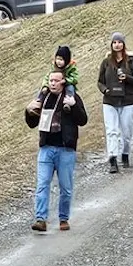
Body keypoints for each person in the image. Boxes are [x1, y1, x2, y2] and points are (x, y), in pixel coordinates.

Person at [26, 69, 88, 232]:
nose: (52, 83)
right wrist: (28, 110)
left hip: (65, 150)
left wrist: (74, 107)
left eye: (56, 80)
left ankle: (63, 218)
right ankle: (41, 219)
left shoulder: (71, 97)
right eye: (50, 80)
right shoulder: (44, 98)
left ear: (63, 82)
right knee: (42, 184)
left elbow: (83, 120)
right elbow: (32, 123)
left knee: (65, 187)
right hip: (46, 148)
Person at [97, 33, 133, 173]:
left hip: (128, 101)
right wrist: (105, 90)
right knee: (112, 131)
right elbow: (100, 81)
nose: (117, 45)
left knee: (126, 132)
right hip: (110, 101)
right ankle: (113, 159)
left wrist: (127, 78)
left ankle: (125, 154)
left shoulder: (132, 62)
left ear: (123, 44)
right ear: (111, 44)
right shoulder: (106, 62)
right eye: (114, 42)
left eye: (119, 42)